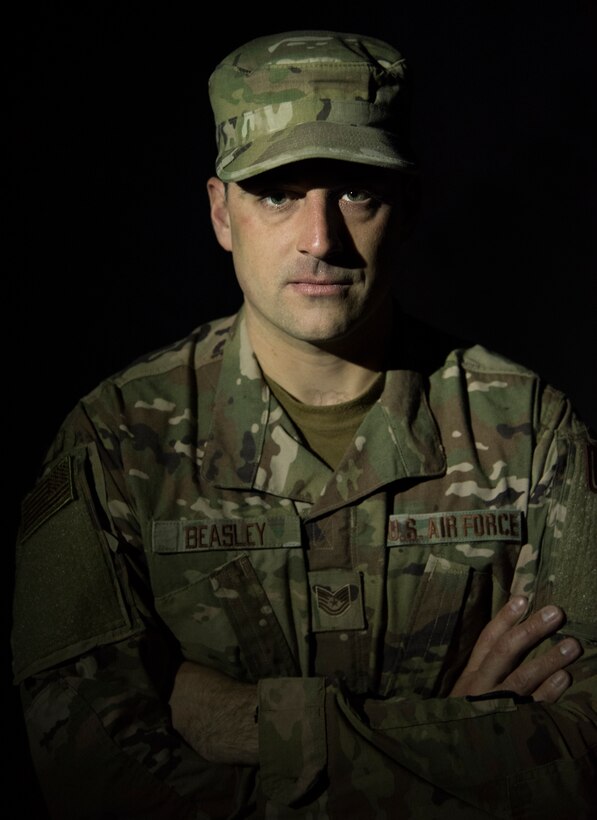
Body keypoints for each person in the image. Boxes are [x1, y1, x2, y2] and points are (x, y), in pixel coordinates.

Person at [11, 29, 596, 819]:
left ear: (409, 207)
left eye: (357, 192)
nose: (321, 239)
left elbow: (581, 757)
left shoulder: (530, 432)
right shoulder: (115, 443)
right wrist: (463, 731)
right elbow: (89, 778)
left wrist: (264, 727)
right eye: (277, 193)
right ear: (221, 213)